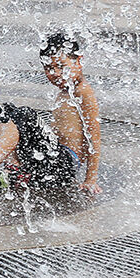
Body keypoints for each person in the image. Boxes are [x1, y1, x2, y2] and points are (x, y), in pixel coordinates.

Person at [39, 34, 102, 193]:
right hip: (55, 156)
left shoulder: (83, 92)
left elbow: (94, 137)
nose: (55, 73)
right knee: (15, 118)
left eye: (61, 66)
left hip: (67, 161)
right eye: (48, 68)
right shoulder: (64, 92)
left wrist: (90, 179)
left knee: (25, 116)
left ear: (79, 61)